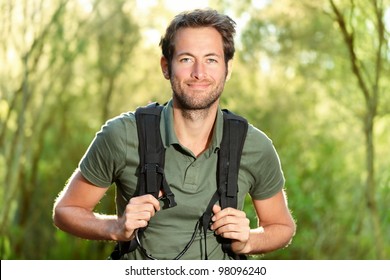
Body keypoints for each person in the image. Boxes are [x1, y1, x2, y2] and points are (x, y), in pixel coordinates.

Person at [53, 8, 296, 260]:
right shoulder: (122, 135)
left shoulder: (253, 145)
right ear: (166, 67)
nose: (199, 73)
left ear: (227, 69)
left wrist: (247, 243)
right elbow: (66, 211)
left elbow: (282, 227)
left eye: (211, 59)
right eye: (186, 59)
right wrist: (115, 227)